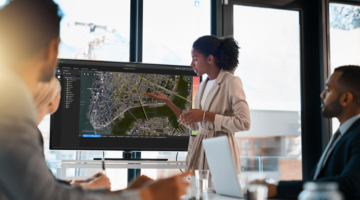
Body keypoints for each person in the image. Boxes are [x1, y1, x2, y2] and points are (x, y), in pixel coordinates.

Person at [0, 1, 189, 200]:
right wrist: (147, 196)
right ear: (51, 50)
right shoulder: (11, 103)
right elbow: (46, 196)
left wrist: (129, 192)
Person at [143, 35, 251, 173]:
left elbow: (244, 122)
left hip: (221, 152)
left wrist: (206, 115)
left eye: (195, 58)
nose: (191, 64)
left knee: (220, 194)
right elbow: (195, 123)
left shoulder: (232, 82)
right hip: (200, 151)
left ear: (210, 59)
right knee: (197, 192)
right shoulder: (201, 86)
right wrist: (168, 102)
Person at [264, 65, 360, 200]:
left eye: (328, 90)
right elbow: (320, 180)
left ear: (345, 99)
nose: (322, 95)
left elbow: (349, 186)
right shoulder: (345, 133)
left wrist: (278, 189)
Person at [33, 76, 112, 189]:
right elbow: (41, 193)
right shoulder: (29, 136)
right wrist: (93, 186)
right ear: (52, 101)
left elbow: (39, 186)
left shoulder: (24, 131)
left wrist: (81, 184)